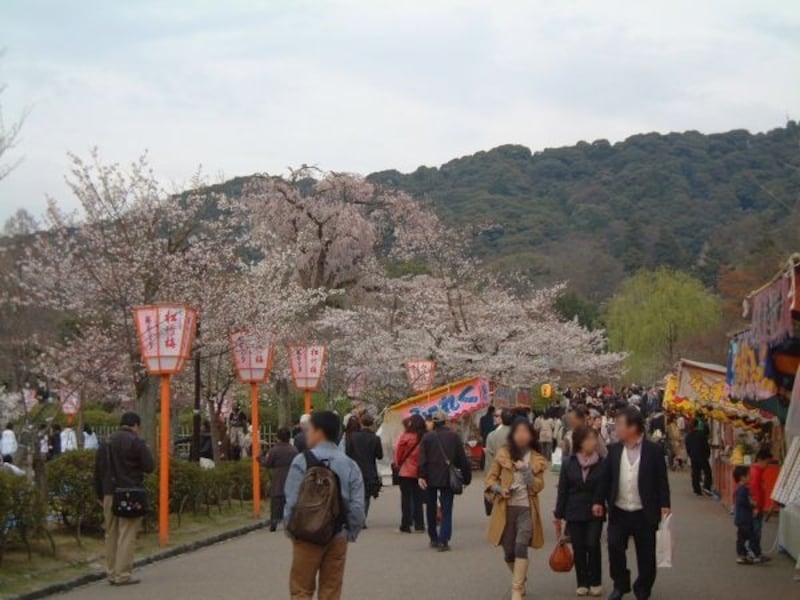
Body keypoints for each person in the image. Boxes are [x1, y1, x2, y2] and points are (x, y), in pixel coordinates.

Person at [284, 410, 366, 600]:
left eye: (309, 429)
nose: (307, 434)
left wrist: (291, 530)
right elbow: (357, 507)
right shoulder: (350, 465)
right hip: (338, 535)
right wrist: (350, 532)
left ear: (319, 432)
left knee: (301, 590)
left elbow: (292, 502)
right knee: (331, 591)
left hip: (306, 534)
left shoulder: (301, 461)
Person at [600, 406, 671, 600]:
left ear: (633, 427)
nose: (616, 428)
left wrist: (665, 504)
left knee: (646, 554)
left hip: (644, 511)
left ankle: (643, 587)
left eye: (620, 424)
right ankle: (620, 584)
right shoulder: (613, 450)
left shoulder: (653, 451)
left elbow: (661, 480)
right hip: (619, 510)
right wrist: (598, 501)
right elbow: (605, 479)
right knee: (614, 547)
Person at [485, 419, 547, 600]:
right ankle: (520, 579)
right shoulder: (503, 454)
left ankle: (516, 590)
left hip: (526, 508)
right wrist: (499, 489)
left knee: (521, 546)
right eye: (518, 431)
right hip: (505, 509)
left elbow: (538, 486)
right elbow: (490, 479)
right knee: (509, 552)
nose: (522, 435)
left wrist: (527, 471)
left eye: (525, 432)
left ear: (531, 435)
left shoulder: (537, 458)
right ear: (512, 434)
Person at [93, 412, 155, 586]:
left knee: (110, 533)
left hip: (109, 493)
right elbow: (149, 466)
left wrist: (99, 493)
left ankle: (111, 572)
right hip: (130, 493)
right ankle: (123, 573)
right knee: (127, 534)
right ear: (135, 425)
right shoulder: (136, 442)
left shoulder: (106, 442)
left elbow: (98, 470)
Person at [554, 426, 607, 597]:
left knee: (592, 544)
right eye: (590, 439)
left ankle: (596, 581)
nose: (593, 443)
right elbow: (563, 489)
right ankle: (582, 582)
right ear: (580, 442)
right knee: (578, 546)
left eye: (595, 439)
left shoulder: (602, 462)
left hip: (595, 509)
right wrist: (558, 514)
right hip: (574, 509)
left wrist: (601, 502)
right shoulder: (569, 463)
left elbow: (605, 487)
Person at [418, 409, 472, 552]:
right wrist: (466, 477)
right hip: (447, 476)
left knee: (430, 508)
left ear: (434, 422)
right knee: (446, 508)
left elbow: (422, 459)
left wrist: (421, 475)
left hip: (430, 477)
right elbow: (461, 459)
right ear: (445, 421)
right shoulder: (453, 437)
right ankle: (444, 539)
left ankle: (433, 537)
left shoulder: (427, 437)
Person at [345, 414, 383, 523]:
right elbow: (379, 455)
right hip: (370, 470)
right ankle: (363, 518)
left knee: (356, 494)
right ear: (371, 424)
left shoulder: (353, 437)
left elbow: (347, 454)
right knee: (366, 496)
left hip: (355, 469)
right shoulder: (375, 438)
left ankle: (356, 517)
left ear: (361, 423)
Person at [394, 414, 426, 533]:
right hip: (420, 472)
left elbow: (399, 454)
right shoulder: (425, 437)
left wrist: (398, 464)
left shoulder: (405, 437)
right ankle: (420, 524)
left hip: (406, 471)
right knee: (419, 499)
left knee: (406, 499)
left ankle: (406, 525)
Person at [263, 427, 298, 532]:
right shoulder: (294, 450)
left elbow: (268, 463)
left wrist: (260, 458)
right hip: (291, 478)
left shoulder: (274, 450)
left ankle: (274, 521)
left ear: (278, 437)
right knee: (290, 501)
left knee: (276, 502)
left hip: (277, 478)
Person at [733, 465, 766, 564]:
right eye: (748, 475)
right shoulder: (742, 489)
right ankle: (757, 554)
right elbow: (742, 501)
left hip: (741, 519)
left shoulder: (741, 489)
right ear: (742, 477)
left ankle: (742, 555)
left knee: (741, 538)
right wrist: (752, 504)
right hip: (744, 519)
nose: (750, 477)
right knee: (753, 537)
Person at [749, 447, 773, 555]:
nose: (767, 466)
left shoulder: (755, 471)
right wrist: (756, 507)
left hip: (757, 506)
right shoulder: (756, 473)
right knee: (756, 530)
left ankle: (754, 550)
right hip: (756, 507)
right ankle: (754, 552)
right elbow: (755, 492)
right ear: (760, 460)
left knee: (755, 529)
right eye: (767, 462)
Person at [685, 419, 712, 496]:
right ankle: (706, 487)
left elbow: (688, 448)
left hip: (693, 456)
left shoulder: (688, 436)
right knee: (707, 472)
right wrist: (707, 454)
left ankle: (697, 489)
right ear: (697, 425)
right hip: (702, 456)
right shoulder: (702, 434)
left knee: (695, 473)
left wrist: (690, 455)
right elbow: (706, 445)